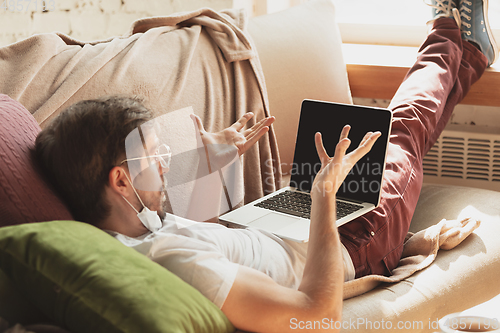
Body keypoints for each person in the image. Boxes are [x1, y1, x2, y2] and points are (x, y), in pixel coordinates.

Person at [33, 0, 496, 331]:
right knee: (402, 129)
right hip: (349, 244)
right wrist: (321, 200)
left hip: (289, 224)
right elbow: (315, 318)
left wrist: (215, 161)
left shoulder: (136, 225)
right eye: (153, 155)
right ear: (119, 180)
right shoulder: (172, 262)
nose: (167, 159)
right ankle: (448, 29)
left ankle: (467, 47)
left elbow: (215, 236)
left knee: (392, 130)